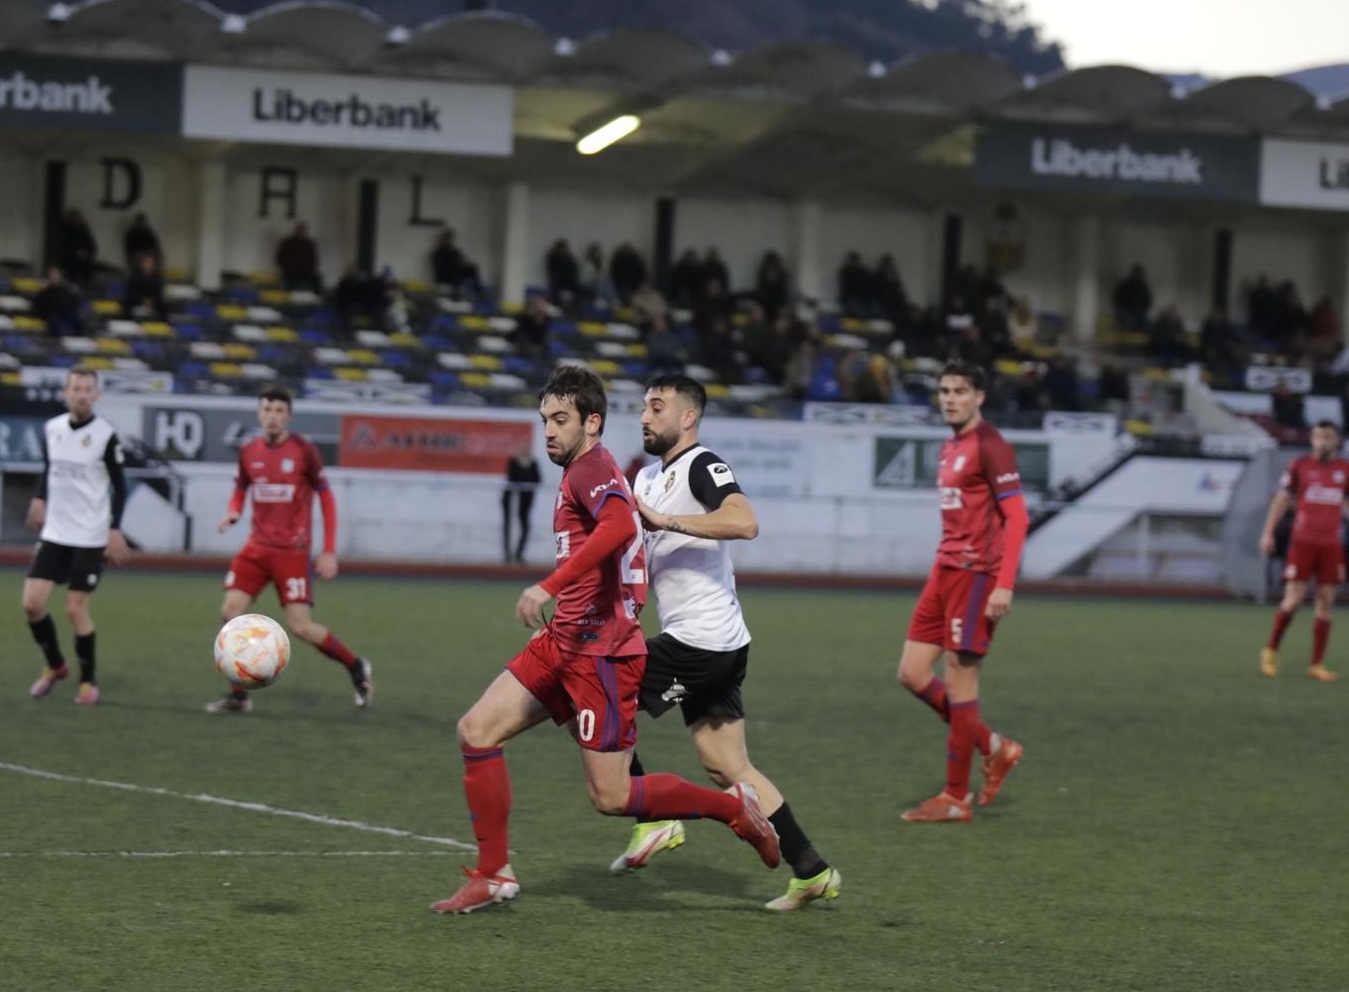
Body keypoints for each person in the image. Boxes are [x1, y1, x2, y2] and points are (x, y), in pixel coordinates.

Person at [434, 364, 781, 914]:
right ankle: (493, 873)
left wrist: (548, 584)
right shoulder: (582, 468)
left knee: (612, 797)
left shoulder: (590, 469)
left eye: (561, 419)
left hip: (602, 653)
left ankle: (732, 809)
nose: (548, 430)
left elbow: (620, 527)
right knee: (476, 730)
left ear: (591, 423)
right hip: (564, 640)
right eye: (545, 419)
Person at [612, 374, 841, 911]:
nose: (645, 416)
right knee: (727, 766)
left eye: (657, 407)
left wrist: (667, 520)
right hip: (709, 641)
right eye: (644, 407)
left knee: (591, 693)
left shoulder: (702, 464)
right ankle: (811, 869)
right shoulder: (645, 477)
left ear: (688, 418)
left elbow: (745, 521)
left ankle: (657, 817)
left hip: (703, 642)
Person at [895, 360, 1030, 824]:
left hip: (978, 577)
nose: (950, 398)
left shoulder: (991, 445)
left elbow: (1017, 518)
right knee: (912, 673)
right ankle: (994, 747)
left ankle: (956, 797)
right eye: (945, 390)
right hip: (945, 570)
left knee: (959, 679)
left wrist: (1004, 584)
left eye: (960, 391)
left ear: (979, 398)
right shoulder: (951, 446)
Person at [206, 388, 372, 714]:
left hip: (292, 551)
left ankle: (356, 666)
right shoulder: (249, 450)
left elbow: (326, 497)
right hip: (256, 548)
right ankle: (239, 696)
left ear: (288, 416)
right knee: (230, 613)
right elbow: (241, 487)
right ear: (259, 413)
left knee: (300, 627)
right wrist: (234, 510)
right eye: (267, 409)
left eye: (279, 410)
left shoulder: (303, 451)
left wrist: (328, 551)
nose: (272, 415)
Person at [23, 367, 131, 706]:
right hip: (55, 532)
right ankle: (56, 665)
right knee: (32, 604)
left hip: (90, 535)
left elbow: (120, 485)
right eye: (76, 388)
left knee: (74, 608)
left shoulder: (105, 435)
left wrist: (114, 528)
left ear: (96, 395)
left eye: (88, 389)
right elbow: (49, 468)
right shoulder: (52, 428)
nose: (82, 394)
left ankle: (88, 681)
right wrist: (40, 497)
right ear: (65, 393)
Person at [1258, 421, 1349, 682]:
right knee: (1294, 599)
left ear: (1337, 441)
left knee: (1325, 602)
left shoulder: (1346, 470)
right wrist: (1267, 533)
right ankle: (1270, 651)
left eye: (1328, 437)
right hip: (1302, 542)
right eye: (1318, 436)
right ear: (1311, 439)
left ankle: (1316, 664)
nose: (1322, 441)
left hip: (1331, 545)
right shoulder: (1299, 466)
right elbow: (1281, 500)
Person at [502, 449, 541, 563]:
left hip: (525, 503)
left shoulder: (533, 464)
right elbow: (512, 478)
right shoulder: (513, 462)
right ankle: (507, 555)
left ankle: (519, 555)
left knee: (525, 528)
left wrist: (527, 466)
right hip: (510, 501)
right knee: (508, 527)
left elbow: (537, 479)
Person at [30, 266, 83, 336]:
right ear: (48, 277)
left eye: (56, 274)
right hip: (51, 318)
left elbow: (75, 303)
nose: (54, 276)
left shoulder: (66, 291)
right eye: (52, 274)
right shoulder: (44, 292)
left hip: (67, 316)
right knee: (53, 321)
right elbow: (37, 307)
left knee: (80, 321)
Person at [430, 229, 481, 296]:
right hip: (444, 276)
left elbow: (462, 260)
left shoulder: (454, 251)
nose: (448, 241)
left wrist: (463, 263)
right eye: (446, 239)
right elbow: (441, 267)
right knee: (455, 271)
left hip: (455, 274)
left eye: (449, 239)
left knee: (472, 268)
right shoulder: (438, 252)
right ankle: (456, 294)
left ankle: (478, 292)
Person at [276, 222, 320, 292]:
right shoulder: (287, 242)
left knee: (317, 279)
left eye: (303, 231)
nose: (301, 232)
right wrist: (289, 267)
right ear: (296, 230)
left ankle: (317, 299)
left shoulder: (309, 244)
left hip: (306, 271)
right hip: (290, 271)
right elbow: (280, 258)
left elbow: (314, 259)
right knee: (290, 281)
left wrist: (308, 268)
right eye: (300, 230)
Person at [59, 209, 98, 285]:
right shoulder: (65, 231)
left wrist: (85, 253)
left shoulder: (83, 230)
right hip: (70, 265)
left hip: (85, 266)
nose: (78, 220)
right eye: (75, 218)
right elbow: (64, 247)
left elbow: (93, 247)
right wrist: (76, 253)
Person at [122, 251, 164, 319]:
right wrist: (142, 301)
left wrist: (152, 301)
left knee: (163, 309)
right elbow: (130, 294)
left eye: (151, 263)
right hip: (135, 305)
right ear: (142, 264)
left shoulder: (157, 279)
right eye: (147, 263)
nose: (149, 265)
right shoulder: (134, 278)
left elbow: (158, 295)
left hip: (152, 307)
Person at [1112, 263, 1152, 331]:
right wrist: (1122, 309)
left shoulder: (1143, 286)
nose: (1138, 275)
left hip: (1139, 312)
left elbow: (1148, 300)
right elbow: (1117, 298)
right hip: (1126, 312)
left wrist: (1143, 309)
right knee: (1129, 322)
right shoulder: (1125, 285)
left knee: (1145, 322)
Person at [544, 238, 580, 307]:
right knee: (555, 293)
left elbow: (575, 268)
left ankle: (575, 309)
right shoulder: (553, 257)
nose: (565, 250)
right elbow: (553, 270)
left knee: (580, 290)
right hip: (558, 282)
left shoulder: (569, 257)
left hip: (569, 281)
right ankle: (556, 307)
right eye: (564, 248)